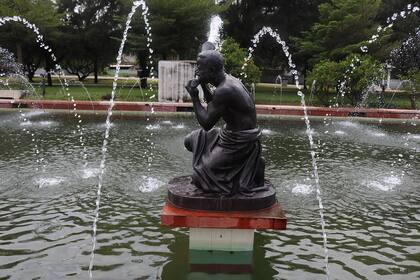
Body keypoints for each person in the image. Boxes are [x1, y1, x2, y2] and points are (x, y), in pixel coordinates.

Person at [184, 45, 266, 195]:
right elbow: (214, 104)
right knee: (190, 140)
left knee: (199, 176)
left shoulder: (225, 90)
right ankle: (246, 165)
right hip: (229, 134)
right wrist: (202, 83)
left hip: (239, 142)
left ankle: (250, 166)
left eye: (200, 68)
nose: (196, 72)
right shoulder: (227, 80)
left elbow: (207, 123)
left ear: (212, 71)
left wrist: (194, 97)